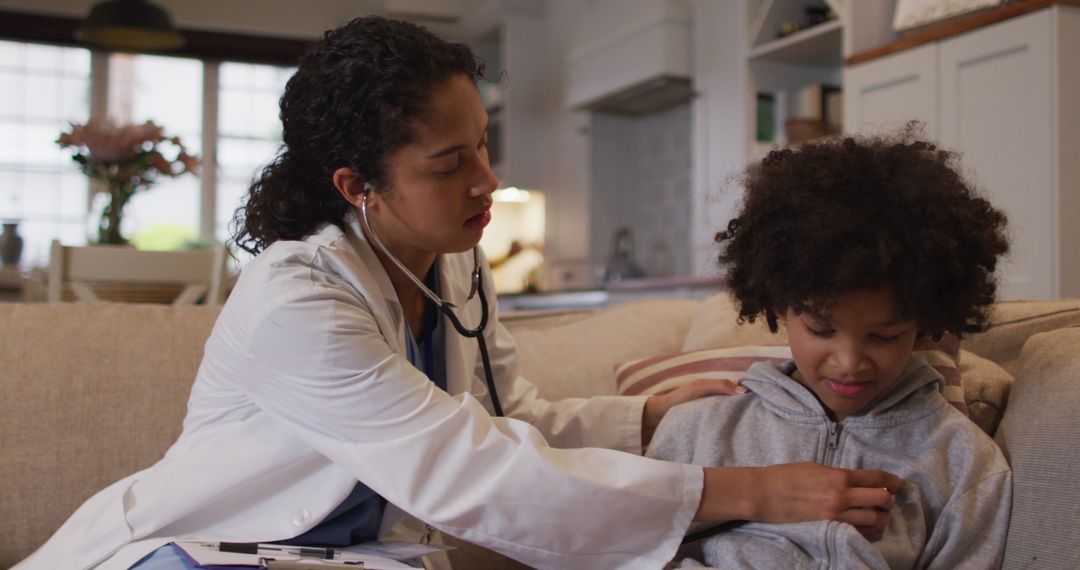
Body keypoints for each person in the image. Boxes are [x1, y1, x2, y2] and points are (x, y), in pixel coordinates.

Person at [16, 17, 902, 570]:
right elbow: (467, 472)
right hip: (203, 549)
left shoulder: (449, 260)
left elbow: (503, 412)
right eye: (451, 163)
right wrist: (742, 491)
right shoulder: (298, 302)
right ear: (358, 184)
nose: (488, 181)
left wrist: (641, 415)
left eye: (483, 144)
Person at [646, 131, 1013, 568]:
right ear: (780, 305)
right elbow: (631, 552)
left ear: (925, 323)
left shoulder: (963, 459)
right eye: (821, 329)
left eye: (884, 336)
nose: (849, 362)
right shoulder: (696, 431)